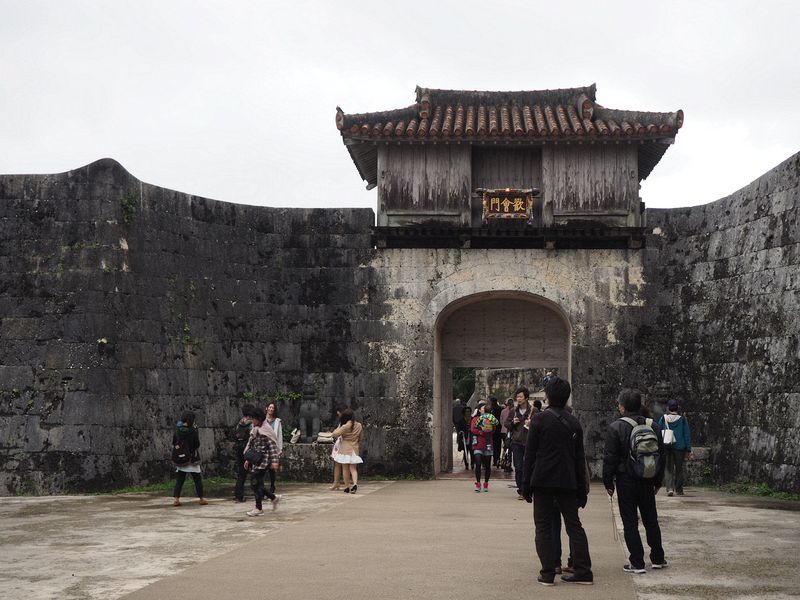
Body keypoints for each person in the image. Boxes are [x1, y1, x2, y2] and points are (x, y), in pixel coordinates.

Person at [521, 377, 593, 586]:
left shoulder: (539, 420)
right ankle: (583, 570)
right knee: (574, 526)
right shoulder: (574, 422)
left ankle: (547, 572)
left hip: (543, 481)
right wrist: (582, 489)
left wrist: (525, 486)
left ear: (548, 396)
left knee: (542, 527)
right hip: (568, 481)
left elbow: (530, 456)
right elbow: (580, 459)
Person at [603, 388, 667, 574]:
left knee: (630, 521)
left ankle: (637, 562)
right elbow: (660, 456)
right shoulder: (653, 425)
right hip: (647, 479)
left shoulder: (616, 427)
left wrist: (608, 482)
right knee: (651, 520)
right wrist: (658, 480)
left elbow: (610, 458)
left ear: (622, 407)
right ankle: (657, 558)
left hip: (626, 480)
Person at [243, 407, 281, 516]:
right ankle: (273, 498)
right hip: (255, 460)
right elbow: (250, 445)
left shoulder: (266, 430)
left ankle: (258, 508)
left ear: (259, 419)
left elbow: (272, 447)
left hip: (264, 461)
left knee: (255, 483)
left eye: (254, 419)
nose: (252, 421)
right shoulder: (255, 429)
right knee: (257, 484)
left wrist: (274, 461)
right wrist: (248, 459)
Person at [172, 411, 209, 507]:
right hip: (192, 458)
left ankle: (176, 499)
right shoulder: (193, 430)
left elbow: (174, 442)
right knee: (197, 479)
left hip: (181, 459)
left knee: (180, 480)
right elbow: (197, 444)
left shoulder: (178, 429)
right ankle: (201, 498)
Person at [657, 399, 692, 496]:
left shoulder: (664, 419)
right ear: (677, 408)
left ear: (668, 408)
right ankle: (679, 489)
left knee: (668, 467)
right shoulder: (682, 419)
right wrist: (688, 449)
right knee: (679, 468)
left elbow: (659, 431)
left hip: (667, 446)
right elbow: (686, 434)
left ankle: (669, 488)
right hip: (680, 447)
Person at [505, 386, 534, 499]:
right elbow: (506, 424)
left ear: (526, 398)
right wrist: (512, 422)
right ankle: (521, 490)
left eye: (521, 396)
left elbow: (540, 425)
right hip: (516, 443)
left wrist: (532, 423)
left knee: (529, 467)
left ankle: (528, 489)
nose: (519, 398)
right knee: (518, 468)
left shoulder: (533, 411)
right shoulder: (513, 411)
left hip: (529, 443)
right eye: (517, 397)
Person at [329, 408, 363, 493]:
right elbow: (360, 437)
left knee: (345, 468)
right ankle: (355, 484)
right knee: (353, 469)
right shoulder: (359, 425)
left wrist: (339, 426)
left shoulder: (345, 426)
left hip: (345, 449)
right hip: (354, 449)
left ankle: (347, 486)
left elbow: (335, 434)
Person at [470, 400, 499, 492]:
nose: (485, 409)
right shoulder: (475, 419)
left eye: (486, 408)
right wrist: (481, 431)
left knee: (487, 465)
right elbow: (473, 429)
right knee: (478, 463)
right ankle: (478, 483)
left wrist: (489, 428)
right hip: (478, 444)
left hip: (488, 444)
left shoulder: (491, 418)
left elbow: (494, 429)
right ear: (479, 410)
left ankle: (486, 482)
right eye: (483, 408)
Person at [233, 404, 255, 502]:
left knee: (241, 474)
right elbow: (253, 437)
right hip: (249, 450)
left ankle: (239, 495)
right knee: (255, 472)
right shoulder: (251, 424)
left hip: (239, 449)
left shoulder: (239, 423)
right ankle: (259, 493)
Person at [264, 402, 283, 494]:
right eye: (270, 407)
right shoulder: (262, 420)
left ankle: (272, 485)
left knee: (272, 469)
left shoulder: (277, 422)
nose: (271, 409)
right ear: (266, 408)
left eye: (273, 408)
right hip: (263, 447)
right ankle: (262, 487)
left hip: (273, 448)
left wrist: (279, 449)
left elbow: (279, 436)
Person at [330, 405, 347, 490]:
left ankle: (344, 484)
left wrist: (333, 433)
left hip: (344, 444)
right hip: (340, 444)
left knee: (344, 465)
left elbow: (337, 432)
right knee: (337, 464)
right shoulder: (343, 422)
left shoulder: (346, 423)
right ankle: (336, 482)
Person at [499, 398, 514, 473]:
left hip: (503, 431)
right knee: (510, 449)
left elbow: (501, 421)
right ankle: (508, 464)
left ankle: (504, 463)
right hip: (510, 432)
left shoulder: (503, 411)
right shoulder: (513, 411)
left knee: (505, 448)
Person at [456, 405, 472, 470]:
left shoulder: (473, 419)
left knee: (472, 452)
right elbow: (459, 429)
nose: (467, 413)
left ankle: (473, 463)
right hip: (464, 438)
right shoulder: (461, 421)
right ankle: (466, 464)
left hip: (472, 438)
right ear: (464, 413)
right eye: (466, 412)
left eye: (469, 411)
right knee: (465, 451)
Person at [489, 397, 503, 467]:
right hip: (499, 429)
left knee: (494, 445)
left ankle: (495, 460)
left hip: (494, 429)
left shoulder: (492, 409)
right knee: (498, 445)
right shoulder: (500, 409)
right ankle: (497, 459)